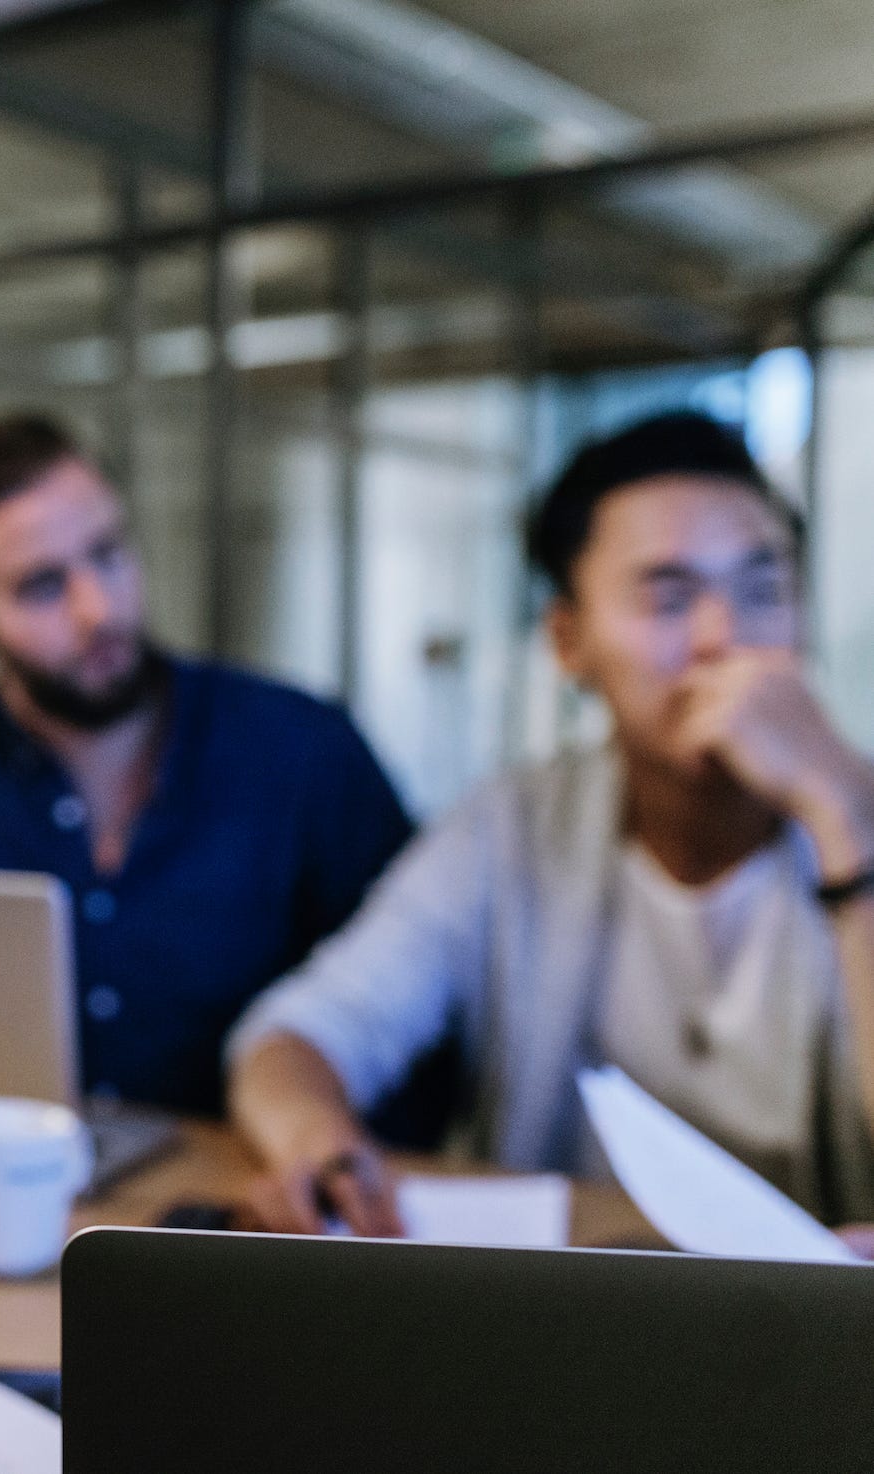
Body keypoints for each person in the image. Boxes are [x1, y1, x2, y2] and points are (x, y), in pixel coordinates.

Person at [227, 411, 874, 1236]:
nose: (723, 639)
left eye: (762, 592)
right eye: (669, 599)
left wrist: (844, 816)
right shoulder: (514, 825)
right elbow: (302, 1031)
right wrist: (317, 1145)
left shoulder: (853, 808)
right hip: (564, 1315)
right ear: (568, 642)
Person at [0, 414, 413, 1115]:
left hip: (253, 1200)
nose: (98, 608)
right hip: (0, 1194)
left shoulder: (303, 752)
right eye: (41, 586)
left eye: (107, 553)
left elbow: (412, 1032)